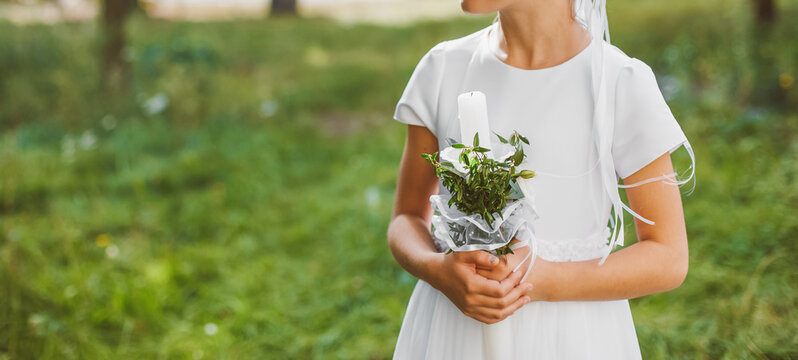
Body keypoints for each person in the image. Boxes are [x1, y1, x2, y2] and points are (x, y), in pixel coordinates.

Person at [386, 0, 696, 358]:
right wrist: (438, 270)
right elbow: (405, 217)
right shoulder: (443, 69)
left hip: (572, 337)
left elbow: (668, 257)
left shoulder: (617, 81)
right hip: (454, 331)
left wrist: (540, 279)